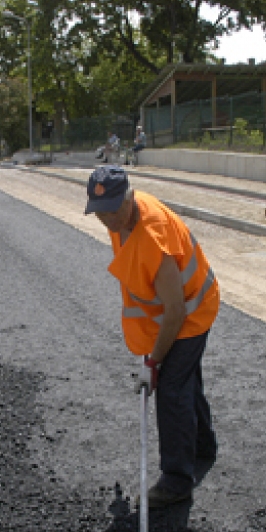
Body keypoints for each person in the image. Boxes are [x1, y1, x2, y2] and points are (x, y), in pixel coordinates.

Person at [85, 165, 221, 508]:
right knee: (187, 379)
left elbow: (175, 311)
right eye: (101, 213)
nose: (109, 220)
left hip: (192, 310)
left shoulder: (152, 237)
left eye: (114, 210)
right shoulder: (122, 215)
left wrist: (154, 362)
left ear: (130, 198)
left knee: (173, 389)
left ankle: (177, 480)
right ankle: (203, 446)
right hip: (175, 310)